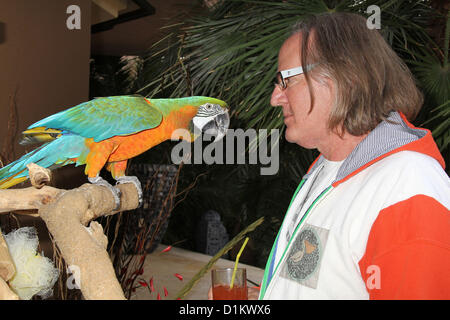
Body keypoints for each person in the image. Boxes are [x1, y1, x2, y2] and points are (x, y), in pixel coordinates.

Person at [257, 12, 450, 299]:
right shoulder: (326, 168)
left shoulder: (407, 185)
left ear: (342, 76)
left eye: (286, 80)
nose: (276, 97)